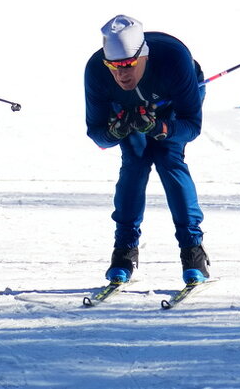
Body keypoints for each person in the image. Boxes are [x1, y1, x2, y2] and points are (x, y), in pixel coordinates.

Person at [84, 14, 211, 286]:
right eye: (113, 66)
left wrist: (162, 128)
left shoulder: (173, 60)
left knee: (169, 158)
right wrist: (114, 131)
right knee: (135, 160)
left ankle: (192, 251)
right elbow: (97, 135)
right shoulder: (96, 70)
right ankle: (124, 252)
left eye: (128, 64)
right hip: (129, 109)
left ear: (144, 56)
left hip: (176, 102)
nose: (121, 74)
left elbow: (192, 126)